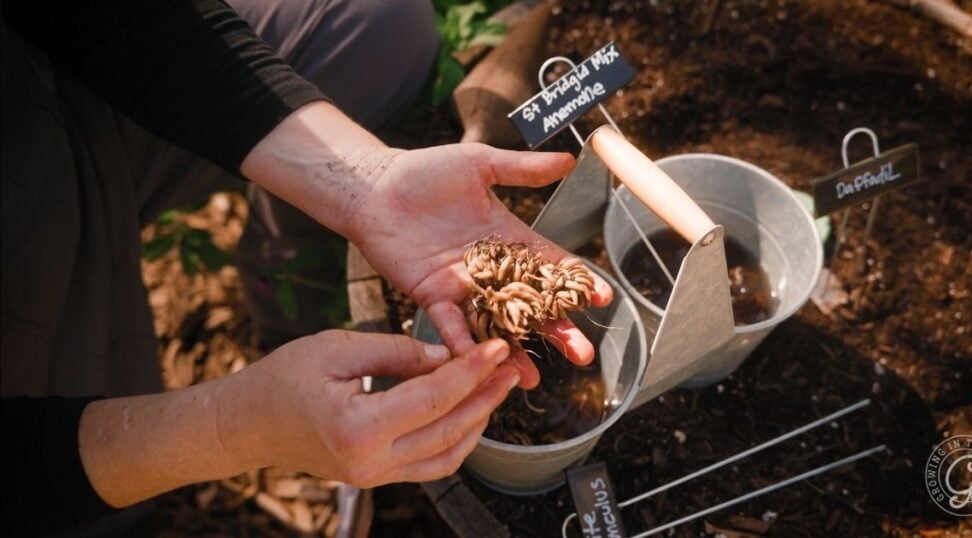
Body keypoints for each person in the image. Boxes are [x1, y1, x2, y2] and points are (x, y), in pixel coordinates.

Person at [0, 0, 613, 535]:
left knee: (376, 25)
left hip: (35, 96)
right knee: (93, 427)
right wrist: (228, 427)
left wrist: (365, 182)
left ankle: (289, 288)